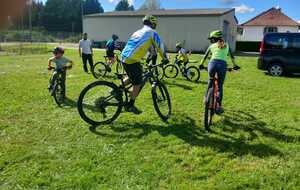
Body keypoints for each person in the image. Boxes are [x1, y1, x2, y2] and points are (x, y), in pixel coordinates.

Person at [121, 15, 169, 114]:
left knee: (134, 75)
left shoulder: (137, 32)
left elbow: (141, 45)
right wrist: (165, 58)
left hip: (124, 57)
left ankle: (117, 90)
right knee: (137, 84)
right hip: (132, 59)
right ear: (153, 23)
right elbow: (160, 46)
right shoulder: (152, 32)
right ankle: (130, 105)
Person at [199, 30, 240, 115]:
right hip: (222, 65)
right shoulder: (227, 45)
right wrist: (235, 65)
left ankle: (206, 99)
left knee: (210, 81)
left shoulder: (211, 46)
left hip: (212, 64)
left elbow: (205, 57)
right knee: (220, 85)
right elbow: (232, 57)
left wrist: (201, 65)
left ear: (214, 39)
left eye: (211, 39)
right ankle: (218, 106)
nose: (210, 41)